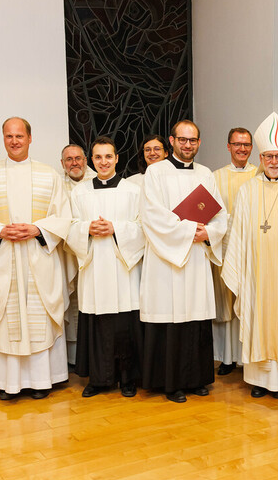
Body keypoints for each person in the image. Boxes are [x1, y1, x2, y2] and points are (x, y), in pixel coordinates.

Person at [0, 117, 72, 400]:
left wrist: (38, 229)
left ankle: (41, 381)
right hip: (3, 260)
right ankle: (8, 383)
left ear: (29, 138)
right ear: (3, 139)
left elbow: (64, 217)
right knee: (5, 319)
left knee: (38, 317)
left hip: (38, 258)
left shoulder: (49, 175)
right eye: (9, 136)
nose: (14, 141)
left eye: (19, 136)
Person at [222, 112, 278, 398]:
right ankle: (258, 381)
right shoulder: (248, 191)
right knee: (256, 318)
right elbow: (237, 233)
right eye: (269, 156)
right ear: (261, 158)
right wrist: (238, 269)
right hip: (256, 273)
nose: (274, 161)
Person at [139, 119, 228, 402]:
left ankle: (196, 379)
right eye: (182, 139)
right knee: (171, 317)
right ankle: (171, 383)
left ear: (199, 143)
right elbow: (152, 215)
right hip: (166, 260)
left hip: (197, 256)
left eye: (193, 140)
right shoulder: (155, 172)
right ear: (172, 141)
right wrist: (190, 230)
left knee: (195, 316)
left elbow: (220, 214)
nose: (187, 145)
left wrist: (209, 232)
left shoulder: (206, 174)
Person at [68, 136, 145, 398]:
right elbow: (70, 226)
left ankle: (127, 379)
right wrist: (86, 229)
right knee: (97, 322)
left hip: (123, 268)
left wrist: (116, 228)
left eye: (108, 156)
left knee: (125, 324)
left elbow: (143, 228)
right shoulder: (79, 192)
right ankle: (98, 379)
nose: (103, 162)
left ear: (117, 158)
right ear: (92, 160)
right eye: (98, 157)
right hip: (94, 268)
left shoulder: (133, 191)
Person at [212, 127, 259, 376]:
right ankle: (227, 357)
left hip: (252, 249)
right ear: (228, 146)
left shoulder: (260, 174)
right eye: (237, 144)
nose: (242, 149)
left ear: (252, 147)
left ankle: (246, 356)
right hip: (224, 246)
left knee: (248, 300)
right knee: (226, 301)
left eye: (246, 144)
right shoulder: (215, 177)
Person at [59, 143, 96, 366]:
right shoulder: (56, 185)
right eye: (69, 159)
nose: (74, 163)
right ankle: (73, 358)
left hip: (93, 252)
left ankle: (91, 355)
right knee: (70, 301)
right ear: (62, 164)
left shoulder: (97, 182)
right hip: (66, 253)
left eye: (78, 158)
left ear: (85, 160)